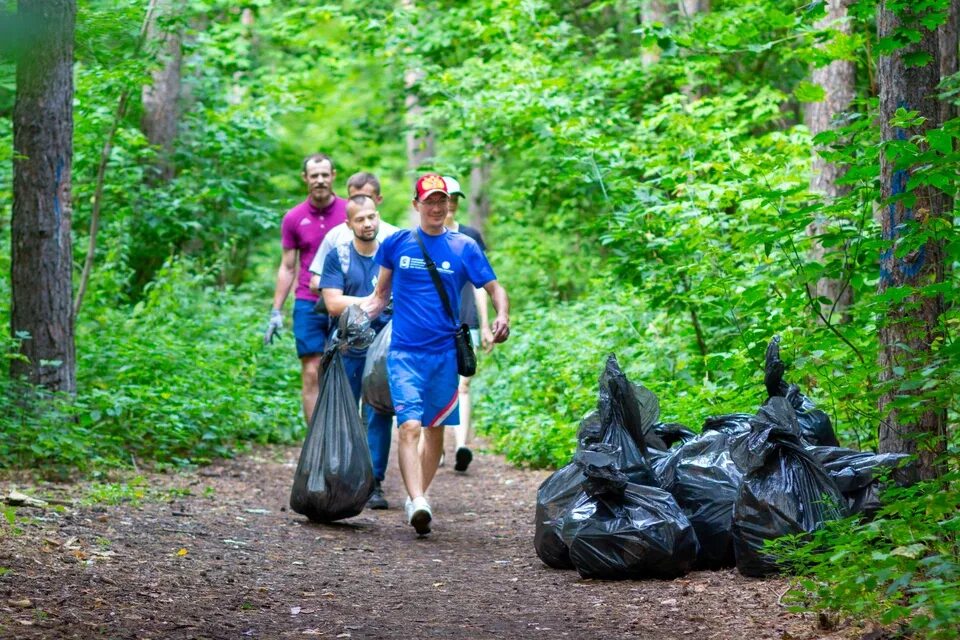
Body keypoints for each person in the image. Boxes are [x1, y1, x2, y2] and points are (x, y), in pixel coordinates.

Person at [361, 173, 510, 536]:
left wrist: (502, 315)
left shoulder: (464, 247)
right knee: (409, 426)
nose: (437, 207)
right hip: (404, 353)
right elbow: (380, 296)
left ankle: (419, 496)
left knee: (435, 431)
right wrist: (353, 324)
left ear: (448, 204)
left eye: (442, 200)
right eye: (429, 201)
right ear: (416, 206)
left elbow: (494, 287)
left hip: (444, 355)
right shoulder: (396, 244)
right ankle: (418, 500)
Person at [318, 194, 394, 510]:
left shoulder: (391, 255)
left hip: (382, 346)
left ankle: (374, 482)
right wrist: (376, 298)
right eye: (360, 219)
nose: (367, 223)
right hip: (348, 342)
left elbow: (398, 297)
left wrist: (361, 300)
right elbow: (332, 303)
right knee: (344, 409)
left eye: (372, 217)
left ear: (378, 217)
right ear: (348, 224)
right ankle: (342, 476)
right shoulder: (339, 256)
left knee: (378, 412)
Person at [264, 153, 347, 426]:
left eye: (325, 174)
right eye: (314, 175)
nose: (320, 180)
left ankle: (343, 437)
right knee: (312, 371)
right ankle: (316, 443)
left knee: (344, 371)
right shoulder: (294, 218)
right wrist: (276, 310)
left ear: (334, 175)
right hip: (307, 302)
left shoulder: (350, 212)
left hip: (344, 301)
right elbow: (288, 266)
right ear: (305, 179)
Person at [442, 176, 495, 473]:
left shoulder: (471, 237)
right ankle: (436, 444)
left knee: (463, 384)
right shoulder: (425, 237)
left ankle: (461, 444)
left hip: (467, 320)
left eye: (453, 198)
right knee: (438, 381)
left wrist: (486, 324)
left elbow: (481, 283)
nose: (449, 204)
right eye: (444, 197)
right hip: (436, 322)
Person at [308, 172, 399, 286]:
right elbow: (316, 279)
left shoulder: (394, 236)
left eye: (366, 197)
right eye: (355, 198)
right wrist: (337, 288)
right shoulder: (335, 235)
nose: (361, 202)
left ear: (379, 199)